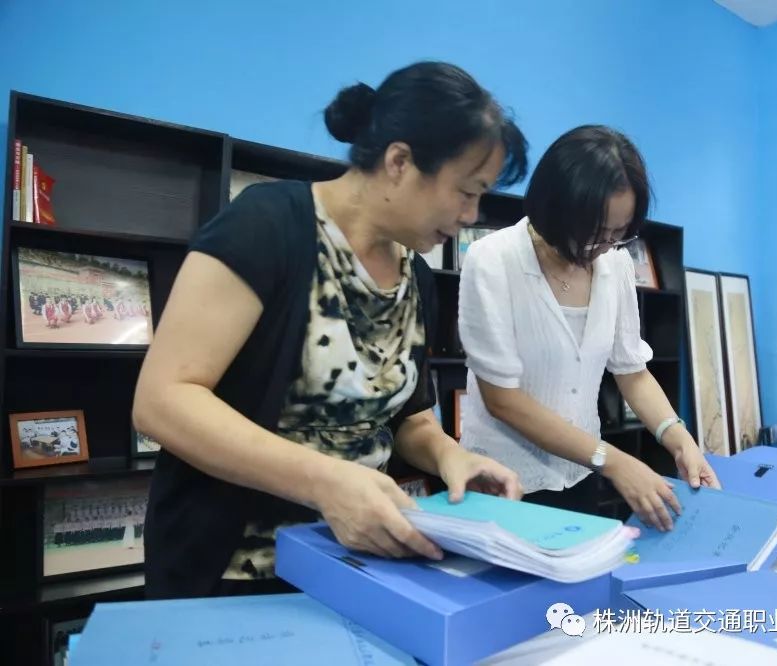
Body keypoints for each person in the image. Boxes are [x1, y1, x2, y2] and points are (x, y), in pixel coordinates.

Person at [133, 61, 528, 600]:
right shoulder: (267, 225)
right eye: (466, 191)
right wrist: (325, 483)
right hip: (232, 572)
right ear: (399, 162)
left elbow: (409, 419)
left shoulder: (416, 276)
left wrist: (450, 456)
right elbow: (163, 401)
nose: (471, 214)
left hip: (355, 564)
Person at [458, 125, 720, 532]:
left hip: (581, 475)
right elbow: (502, 399)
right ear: (556, 207)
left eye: (620, 233)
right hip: (502, 483)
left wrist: (678, 438)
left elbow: (632, 372)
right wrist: (613, 461)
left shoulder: (615, 264)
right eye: (596, 232)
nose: (606, 245)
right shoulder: (492, 259)